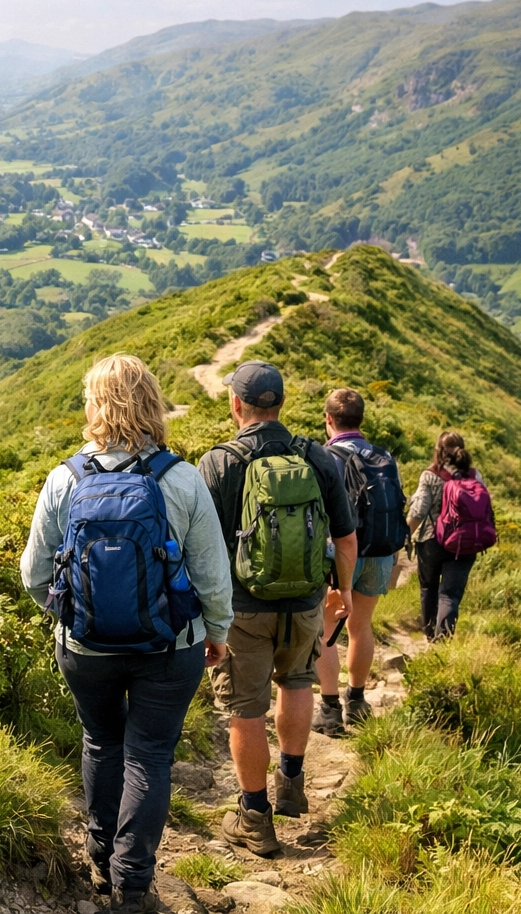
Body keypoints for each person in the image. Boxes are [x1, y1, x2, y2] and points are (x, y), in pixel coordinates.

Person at [21, 354, 232, 914]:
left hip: (85, 648)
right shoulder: (181, 478)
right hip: (171, 645)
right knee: (150, 756)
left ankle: (98, 857)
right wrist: (217, 631)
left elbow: (33, 573)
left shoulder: (65, 478)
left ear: (94, 406)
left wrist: (69, 614)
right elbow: (212, 572)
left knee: (100, 742)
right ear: (153, 403)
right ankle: (133, 886)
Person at [197, 361, 356, 857]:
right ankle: (291, 782)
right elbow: (346, 539)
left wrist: (204, 614)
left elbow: (198, 549)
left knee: (246, 711)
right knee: (296, 683)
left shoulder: (218, 463)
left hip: (241, 609)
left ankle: (254, 818)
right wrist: (342, 593)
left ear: (235, 405)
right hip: (306, 601)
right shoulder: (316, 457)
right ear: (282, 404)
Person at [313, 388, 401, 735]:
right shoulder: (384, 456)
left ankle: (331, 710)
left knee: (327, 633)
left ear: (329, 420)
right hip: (379, 551)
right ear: (360, 419)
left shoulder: (326, 456)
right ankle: (358, 701)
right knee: (361, 626)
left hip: (341, 554)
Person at [408, 431, 483, 641]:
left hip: (433, 541)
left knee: (428, 587)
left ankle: (430, 633)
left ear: (437, 451)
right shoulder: (475, 476)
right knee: (450, 594)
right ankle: (443, 641)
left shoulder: (430, 475)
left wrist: (405, 536)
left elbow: (418, 511)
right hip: (465, 544)